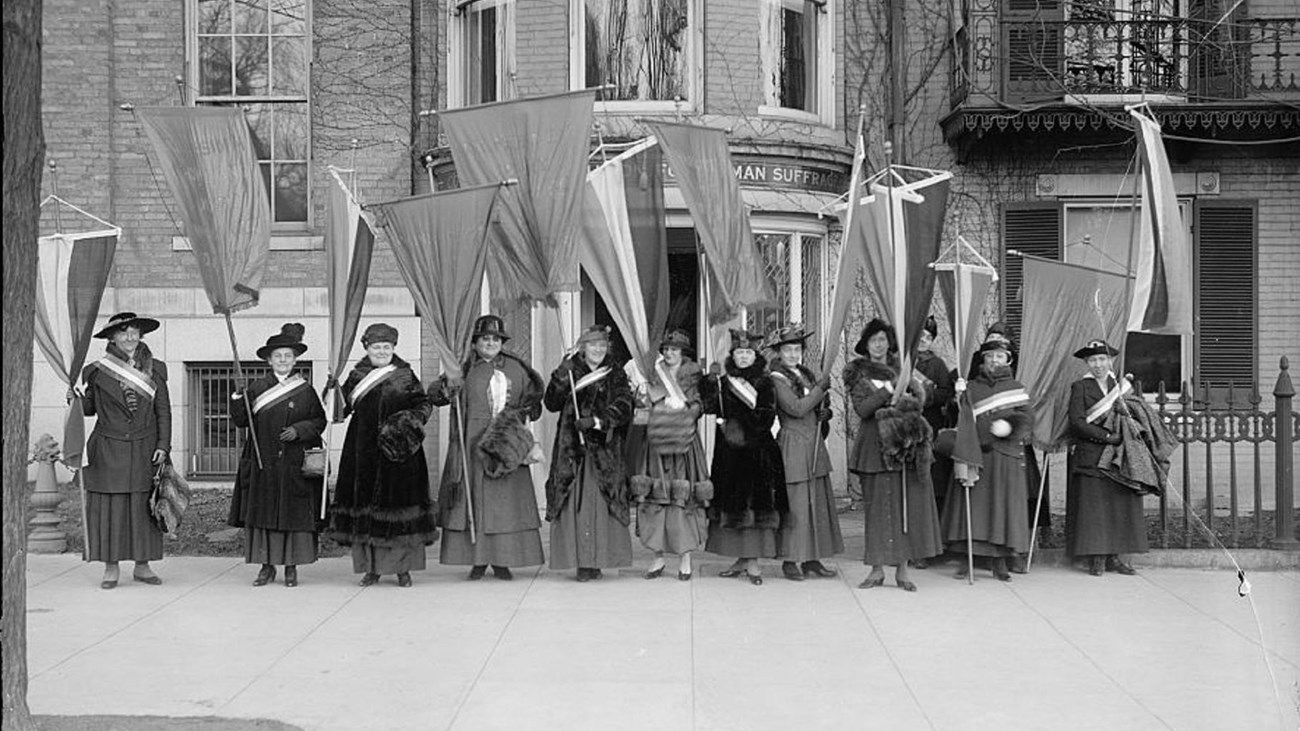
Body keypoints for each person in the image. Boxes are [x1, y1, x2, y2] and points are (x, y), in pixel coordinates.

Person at [429, 315, 545, 581]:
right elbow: (435, 395)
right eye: (485, 338)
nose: (490, 343)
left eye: (495, 338)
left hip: (507, 443)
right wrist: (448, 383)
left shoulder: (516, 367)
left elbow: (535, 402)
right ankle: (478, 561)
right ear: (476, 342)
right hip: (472, 444)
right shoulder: (463, 367)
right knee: (477, 502)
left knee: (507, 504)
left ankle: (503, 561)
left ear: (501, 342)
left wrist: (524, 414)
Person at [328, 323, 438, 587]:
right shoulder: (356, 376)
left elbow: (423, 404)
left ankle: (403, 570)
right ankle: (372, 570)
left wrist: (407, 421)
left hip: (400, 453)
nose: (381, 351)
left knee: (400, 510)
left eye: (386, 347)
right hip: (363, 452)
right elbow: (339, 411)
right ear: (367, 348)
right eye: (376, 347)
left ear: (393, 348)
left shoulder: (405, 375)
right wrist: (332, 389)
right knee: (367, 511)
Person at [845, 318, 942, 592]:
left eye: (883, 340)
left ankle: (902, 570)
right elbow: (863, 409)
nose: (878, 345)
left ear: (890, 344)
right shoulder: (856, 372)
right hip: (873, 448)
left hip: (902, 446)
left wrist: (908, 394)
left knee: (903, 508)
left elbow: (921, 398)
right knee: (876, 511)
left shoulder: (903, 368)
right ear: (866, 345)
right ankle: (876, 570)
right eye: (873, 340)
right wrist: (889, 389)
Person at [227, 323, 327, 588]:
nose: (283, 360)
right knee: (265, 516)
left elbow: (319, 421)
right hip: (264, 464)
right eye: (278, 356)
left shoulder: (306, 390)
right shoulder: (258, 388)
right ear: (269, 360)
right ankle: (266, 567)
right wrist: (238, 395)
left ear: (295, 360)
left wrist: (299, 430)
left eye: (288, 356)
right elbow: (241, 421)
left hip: (294, 464)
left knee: (292, 516)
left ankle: (291, 568)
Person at [80, 312, 171, 589]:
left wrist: (163, 446)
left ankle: (143, 566)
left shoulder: (156, 369)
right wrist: (75, 398)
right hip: (109, 447)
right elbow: (89, 410)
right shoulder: (96, 371)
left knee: (143, 509)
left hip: (145, 447)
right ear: (112, 338)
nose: (130, 337)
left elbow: (163, 412)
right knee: (113, 509)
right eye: (123, 333)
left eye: (134, 332)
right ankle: (111, 567)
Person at [543, 324, 636, 581]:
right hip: (572, 449)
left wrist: (598, 421)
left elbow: (624, 405)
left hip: (604, 451)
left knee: (601, 504)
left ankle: (600, 560)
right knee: (575, 505)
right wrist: (561, 375)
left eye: (602, 345)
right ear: (583, 347)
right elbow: (550, 403)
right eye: (593, 345)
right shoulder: (571, 370)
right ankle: (582, 562)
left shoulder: (615, 373)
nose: (598, 349)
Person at [940, 332, 1034, 581]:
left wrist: (1011, 426)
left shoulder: (1016, 388)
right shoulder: (971, 386)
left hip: (1005, 455)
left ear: (1008, 360)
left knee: (1000, 510)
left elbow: (1028, 419)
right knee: (972, 508)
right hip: (975, 454)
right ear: (982, 360)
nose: (994, 360)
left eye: (999, 356)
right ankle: (966, 557)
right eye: (990, 356)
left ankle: (1000, 561)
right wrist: (956, 398)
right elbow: (955, 417)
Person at [699, 329, 786, 585]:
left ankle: (754, 562)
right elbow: (709, 407)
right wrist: (709, 382)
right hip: (729, 455)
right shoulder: (724, 382)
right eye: (740, 352)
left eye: (748, 352)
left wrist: (737, 426)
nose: (744, 356)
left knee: (754, 506)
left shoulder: (765, 382)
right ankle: (740, 558)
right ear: (733, 355)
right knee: (734, 506)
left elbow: (766, 417)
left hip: (757, 453)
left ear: (755, 355)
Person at [629, 329, 710, 581]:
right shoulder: (652, 373)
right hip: (657, 441)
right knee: (657, 499)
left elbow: (702, 404)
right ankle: (658, 556)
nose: (669, 353)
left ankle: (685, 556)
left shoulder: (694, 375)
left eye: (674, 349)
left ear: (683, 352)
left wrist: (688, 408)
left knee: (682, 500)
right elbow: (642, 403)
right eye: (666, 349)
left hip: (684, 443)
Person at [766, 324, 843, 581]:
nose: (792, 354)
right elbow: (796, 408)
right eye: (787, 349)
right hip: (794, 443)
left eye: (796, 349)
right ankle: (789, 559)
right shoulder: (776, 379)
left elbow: (814, 406)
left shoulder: (805, 375)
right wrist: (821, 390)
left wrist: (826, 412)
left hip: (813, 444)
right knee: (796, 504)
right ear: (779, 352)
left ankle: (812, 559)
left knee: (815, 503)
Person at [1066, 339, 1147, 576]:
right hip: (1092, 454)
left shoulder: (1121, 387)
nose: (1098, 364)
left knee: (1118, 506)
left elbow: (1136, 415)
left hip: (1119, 454)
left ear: (1110, 361)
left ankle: (1115, 557)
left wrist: (1121, 432)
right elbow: (1077, 422)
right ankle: (1097, 558)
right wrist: (1105, 436)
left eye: (1102, 359)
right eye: (1092, 360)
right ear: (1086, 363)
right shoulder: (1080, 387)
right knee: (1095, 509)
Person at [912, 315, 954, 567]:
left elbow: (945, 392)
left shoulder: (937, 364)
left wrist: (924, 394)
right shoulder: (903, 362)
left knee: (933, 486)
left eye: (928, 338)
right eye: (921, 337)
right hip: (908, 426)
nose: (924, 342)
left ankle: (932, 546)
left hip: (931, 426)